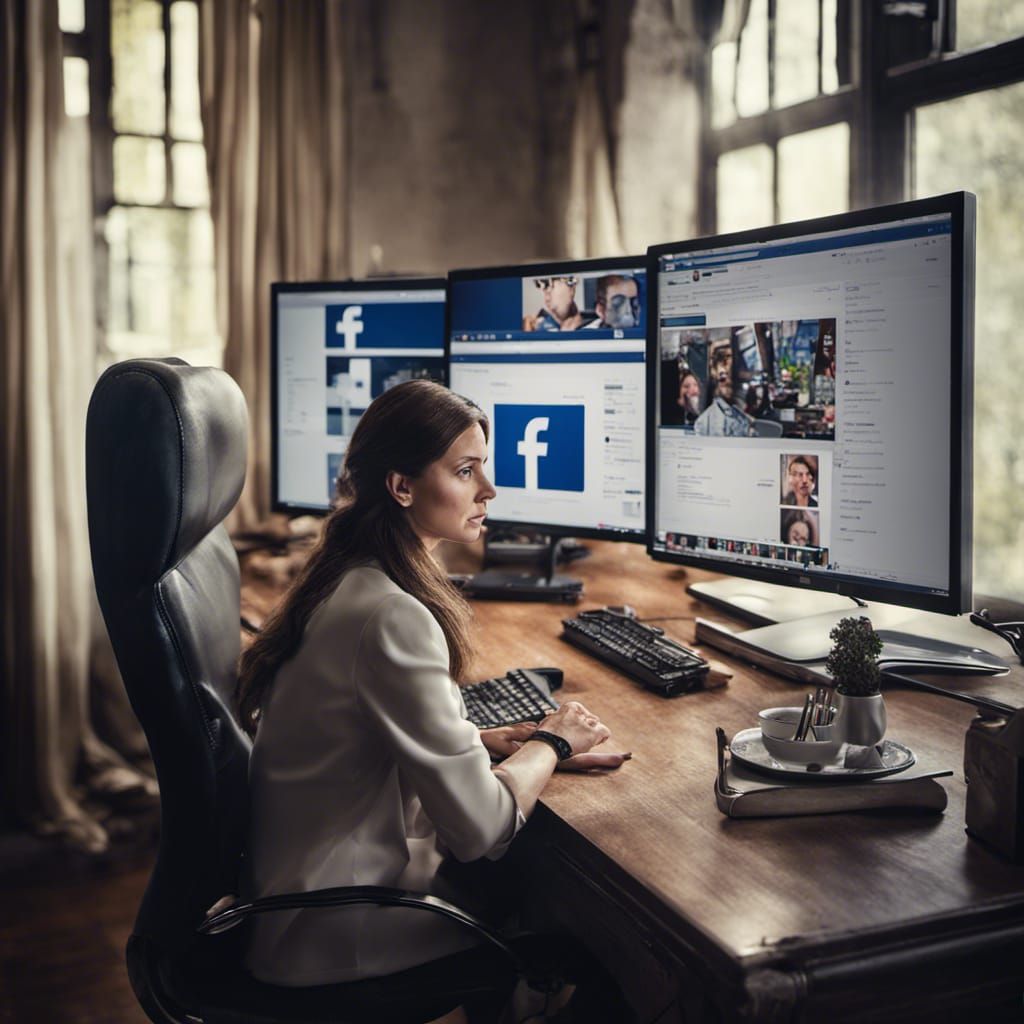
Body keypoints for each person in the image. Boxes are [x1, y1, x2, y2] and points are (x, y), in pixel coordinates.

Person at [236, 380, 628, 1019]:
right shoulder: (393, 614)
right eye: (466, 471)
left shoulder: (348, 577)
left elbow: (353, 743)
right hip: (337, 928)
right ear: (402, 487)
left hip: (298, 905)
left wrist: (484, 741)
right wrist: (553, 742)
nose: (489, 491)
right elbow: (481, 830)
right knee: (597, 942)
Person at [693, 361, 755, 438]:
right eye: (723, 378)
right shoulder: (704, 421)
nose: (728, 382)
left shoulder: (744, 417)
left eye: (733, 377)